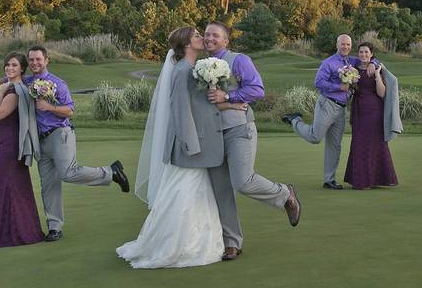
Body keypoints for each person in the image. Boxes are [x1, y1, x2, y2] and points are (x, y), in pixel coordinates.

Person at [0, 46, 129, 242]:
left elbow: (70, 111)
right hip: (40, 140)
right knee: (49, 185)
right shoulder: (28, 80)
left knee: (68, 173)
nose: (34, 63)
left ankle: (111, 172)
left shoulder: (57, 83)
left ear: (46, 61)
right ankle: (55, 227)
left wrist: (49, 107)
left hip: (60, 134)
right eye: (31, 60)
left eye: (38, 59)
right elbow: (5, 81)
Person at [117, 27, 230, 268]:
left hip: (198, 145)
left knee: (193, 193)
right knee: (182, 194)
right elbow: (179, 110)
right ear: (187, 44)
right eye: (198, 36)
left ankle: (197, 241)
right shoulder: (182, 71)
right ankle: (175, 246)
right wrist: (191, 145)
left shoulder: (191, 69)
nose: (203, 38)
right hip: (190, 146)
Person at [202, 21, 301, 261]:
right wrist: (223, 103)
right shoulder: (199, 66)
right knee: (221, 190)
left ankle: (285, 195)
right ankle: (232, 243)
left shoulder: (239, 60)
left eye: (215, 35)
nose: (209, 38)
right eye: (206, 35)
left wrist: (229, 96)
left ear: (226, 41)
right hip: (211, 134)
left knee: (243, 180)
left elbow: (257, 89)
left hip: (239, 129)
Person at [0, 52, 46, 247]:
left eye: (14, 65)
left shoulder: (15, 91)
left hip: (9, 144)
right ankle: (18, 231)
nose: (9, 68)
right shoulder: (13, 86)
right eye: (7, 65)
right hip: (3, 141)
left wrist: (0, 91)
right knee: (12, 186)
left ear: (22, 69)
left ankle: (11, 234)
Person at [282, 34, 359, 189]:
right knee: (315, 137)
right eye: (343, 44)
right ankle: (295, 120)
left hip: (342, 108)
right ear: (337, 45)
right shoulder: (329, 63)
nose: (346, 47)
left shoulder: (352, 61)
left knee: (335, 145)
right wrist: (339, 87)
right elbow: (318, 82)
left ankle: (329, 180)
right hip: (327, 104)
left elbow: (369, 60)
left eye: (348, 44)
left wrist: (374, 64)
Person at [343, 42, 401, 189]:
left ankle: (375, 180)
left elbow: (382, 93)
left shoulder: (377, 68)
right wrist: (348, 81)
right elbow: (350, 90)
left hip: (374, 111)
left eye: (366, 52)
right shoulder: (353, 69)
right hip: (359, 111)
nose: (364, 55)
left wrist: (376, 75)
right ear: (358, 54)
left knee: (375, 144)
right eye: (361, 52)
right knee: (359, 144)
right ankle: (362, 181)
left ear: (371, 54)